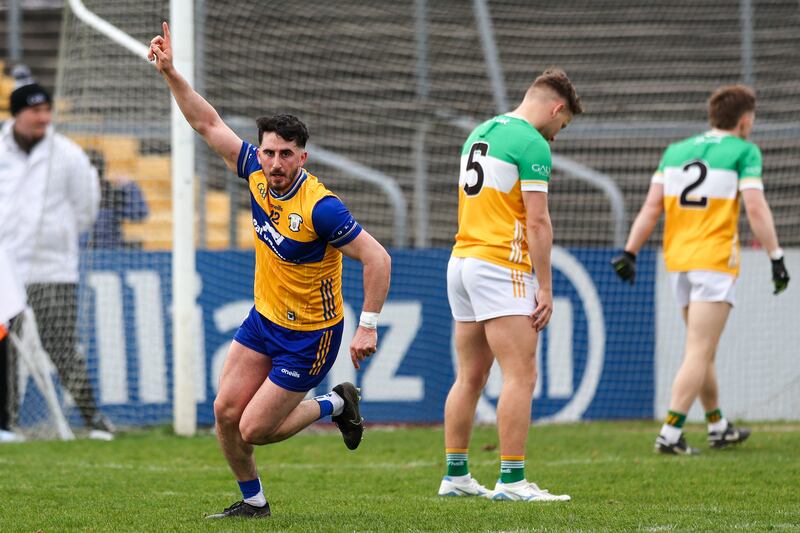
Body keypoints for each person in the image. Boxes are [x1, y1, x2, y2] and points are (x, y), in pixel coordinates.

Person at [148, 22, 392, 519]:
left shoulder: (321, 208)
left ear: (302, 156)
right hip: (265, 319)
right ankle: (253, 502)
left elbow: (378, 257)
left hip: (310, 334)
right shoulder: (256, 173)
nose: (275, 162)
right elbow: (207, 124)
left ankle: (337, 405)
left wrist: (367, 326)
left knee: (254, 428)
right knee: (224, 413)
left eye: (285, 154)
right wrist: (171, 73)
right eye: (268, 151)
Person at [611, 85, 790, 455]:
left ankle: (717, 426)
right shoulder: (744, 151)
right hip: (714, 262)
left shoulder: (676, 151)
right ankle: (671, 433)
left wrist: (630, 251)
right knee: (699, 350)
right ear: (745, 120)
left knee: (702, 349)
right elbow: (755, 208)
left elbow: (650, 207)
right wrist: (776, 256)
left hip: (678, 262)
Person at [441, 68, 582, 502]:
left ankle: (457, 475)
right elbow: (538, 222)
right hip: (500, 264)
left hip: (461, 261)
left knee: (470, 376)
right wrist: (545, 286)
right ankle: (512, 480)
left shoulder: (481, 131)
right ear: (557, 108)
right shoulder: (531, 142)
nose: (558, 134)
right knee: (521, 375)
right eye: (564, 124)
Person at [0, 66, 113, 440]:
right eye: (35, 111)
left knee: (61, 344)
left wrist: (58, 236)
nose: (43, 118)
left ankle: (94, 419)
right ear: (17, 113)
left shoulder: (67, 154)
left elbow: (87, 205)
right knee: (5, 348)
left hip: (52, 266)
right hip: (5, 265)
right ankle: (6, 422)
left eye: (47, 111)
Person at [84, 149, 149, 249]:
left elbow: (139, 214)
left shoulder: (111, 192)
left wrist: (129, 187)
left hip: (110, 254)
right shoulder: (72, 194)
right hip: (81, 255)